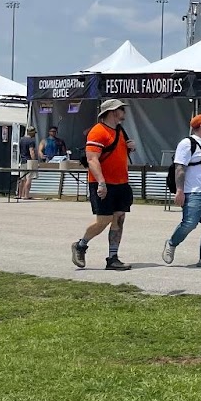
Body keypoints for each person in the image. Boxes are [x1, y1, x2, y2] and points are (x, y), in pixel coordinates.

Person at [70, 98, 134, 271]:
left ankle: (113, 258)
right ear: (113, 112)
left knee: (119, 219)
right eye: (121, 109)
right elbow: (92, 159)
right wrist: (101, 182)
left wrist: (130, 147)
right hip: (103, 183)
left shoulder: (120, 131)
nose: (124, 112)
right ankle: (81, 245)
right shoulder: (97, 132)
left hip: (121, 182)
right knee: (104, 220)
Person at [162, 113, 201, 268]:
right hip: (193, 192)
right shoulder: (187, 143)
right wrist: (180, 190)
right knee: (189, 223)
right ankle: (171, 243)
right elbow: (180, 168)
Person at [15, 127, 37, 200]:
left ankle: (19, 195)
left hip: (22, 161)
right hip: (29, 161)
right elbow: (32, 152)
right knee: (29, 178)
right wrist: (34, 161)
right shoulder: (31, 141)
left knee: (22, 178)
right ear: (32, 133)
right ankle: (26, 195)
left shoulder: (21, 140)